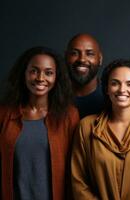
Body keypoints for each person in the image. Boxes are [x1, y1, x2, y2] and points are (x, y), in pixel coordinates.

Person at [71, 59, 130, 200]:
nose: (122, 89)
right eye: (115, 83)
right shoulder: (86, 126)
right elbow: (78, 180)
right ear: (106, 89)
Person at [0, 46, 79, 200]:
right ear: (24, 73)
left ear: (56, 77)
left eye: (48, 73)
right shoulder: (3, 114)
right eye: (34, 71)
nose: (40, 78)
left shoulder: (69, 115)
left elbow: (77, 169)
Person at [65, 33, 104, 118]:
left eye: (89, 54)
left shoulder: (110, 99)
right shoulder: (52, 96)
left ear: (100, 59)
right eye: (74, 53)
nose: (82, 59)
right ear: (66, 57)